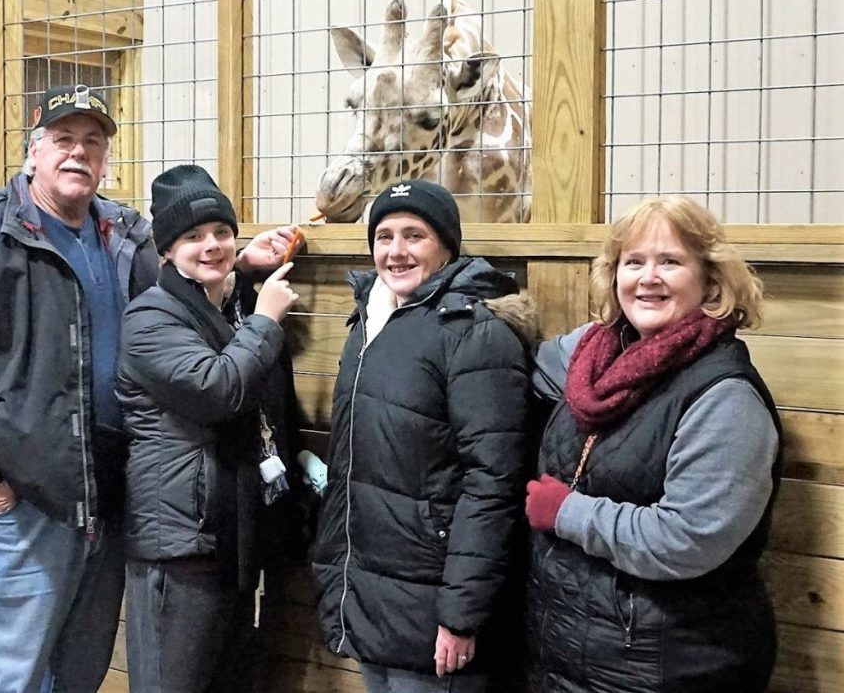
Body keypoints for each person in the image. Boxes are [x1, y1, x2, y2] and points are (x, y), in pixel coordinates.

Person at [0, 85, 299, 693]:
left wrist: (238, 262)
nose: (78, 154)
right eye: (63, 140)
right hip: (28, 498)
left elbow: (182, 275)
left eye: (93, 143)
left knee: (80, 672)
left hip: (110, 496)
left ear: (106, 158)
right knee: (7, 675)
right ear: (34, 153)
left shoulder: (125, 233)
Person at [524, 195, 781, 692]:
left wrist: (568, 512)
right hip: (577, 654)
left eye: (671, 262)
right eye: (633, 261)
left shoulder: (725, 396)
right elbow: (524, 363)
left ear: (710, 280)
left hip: (671, 663)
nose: (648, 277)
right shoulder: (593, 356)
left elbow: (688, 538)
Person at [310, 179, 536, 693]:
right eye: (384, 235)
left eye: (414, 235)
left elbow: (493, 481)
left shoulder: (476, 333)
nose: (396, 251)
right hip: (375, 595)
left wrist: (461, 612)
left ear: (447, 247)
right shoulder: (369, 325)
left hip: (436, 606)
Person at [116, 164, 304, 693]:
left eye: (221, 232)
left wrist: (242, 273)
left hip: (224, 535)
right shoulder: (148, 319)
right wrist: (266, 318)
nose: (211, 245)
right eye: (193, 237)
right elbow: (218, 389)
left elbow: (219, 327)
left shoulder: (221, 303)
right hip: (176, 545)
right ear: (166, 252)